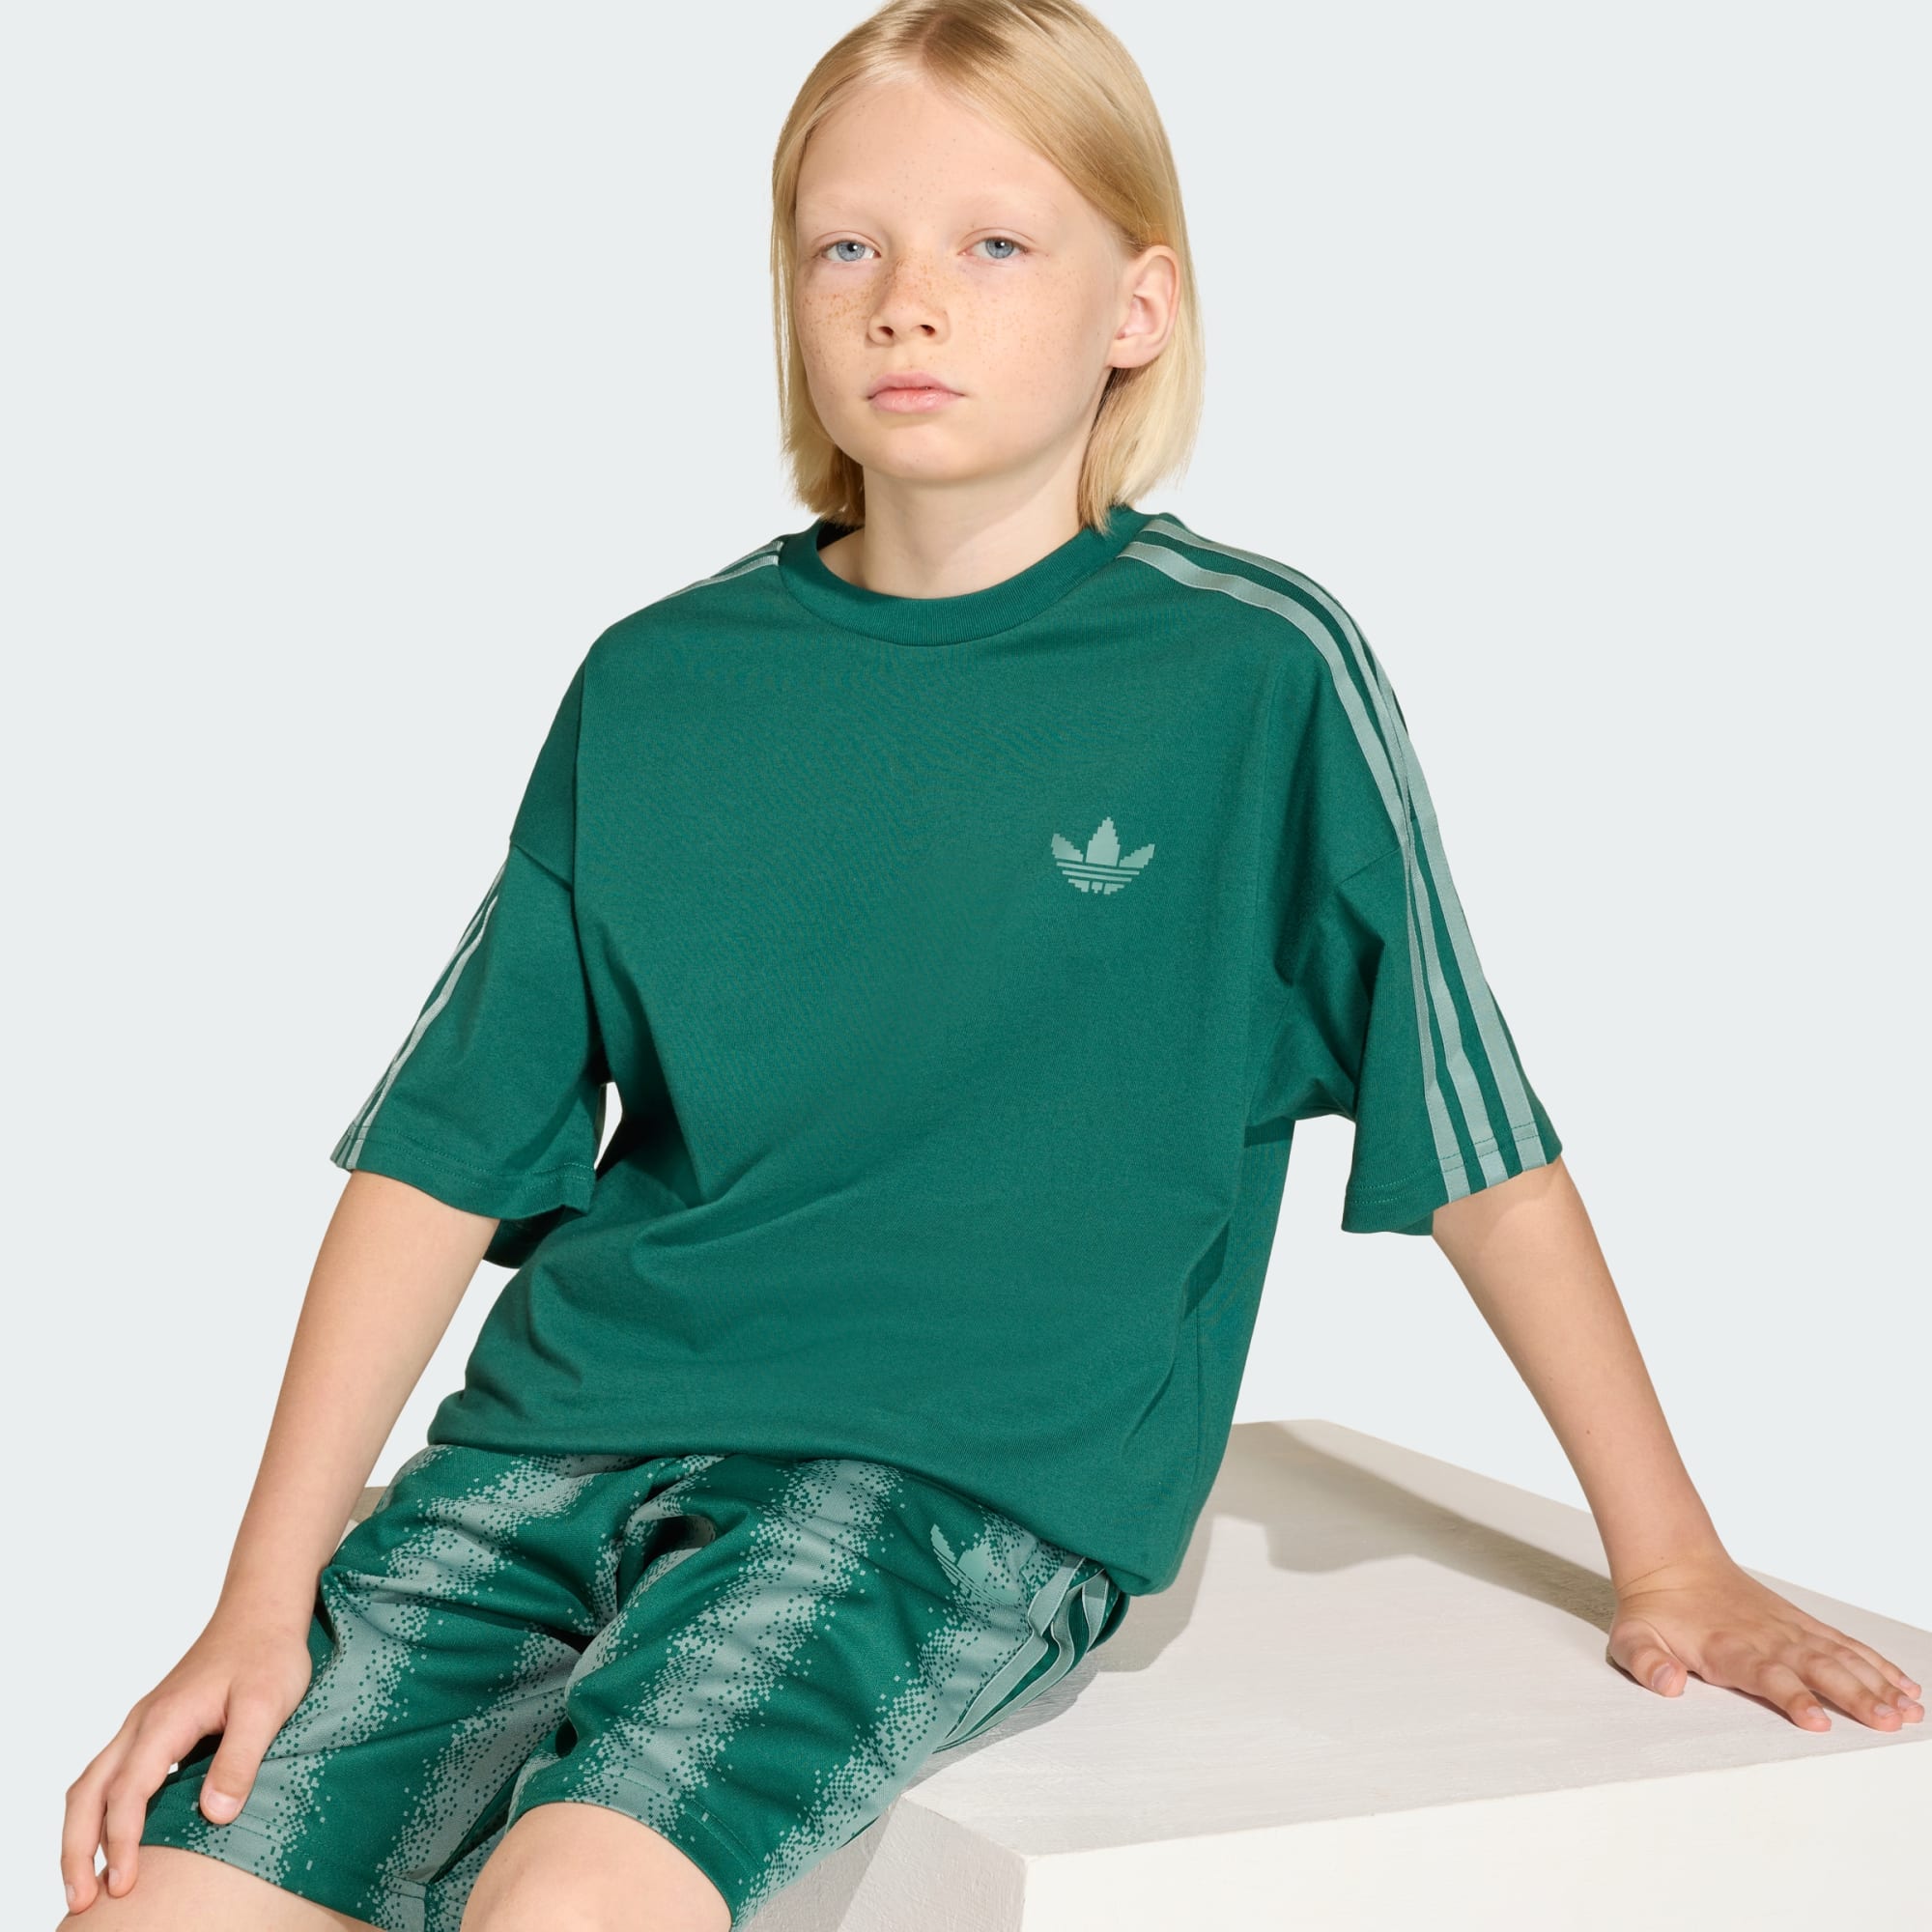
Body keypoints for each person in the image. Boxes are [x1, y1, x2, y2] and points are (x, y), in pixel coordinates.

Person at [59, 1, 1923, 1926]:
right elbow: (441, 1155)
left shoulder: (1250, 671)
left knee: (571, 1904)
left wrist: (1671, 1556)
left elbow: (1473, 1138)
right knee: (159, 1907)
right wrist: (258, 1595)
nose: (906, 301)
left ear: (1140, 305)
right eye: (844, 246)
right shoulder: (656, 680)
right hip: (547, 1451)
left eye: (996, 242)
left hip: (938, 1485)